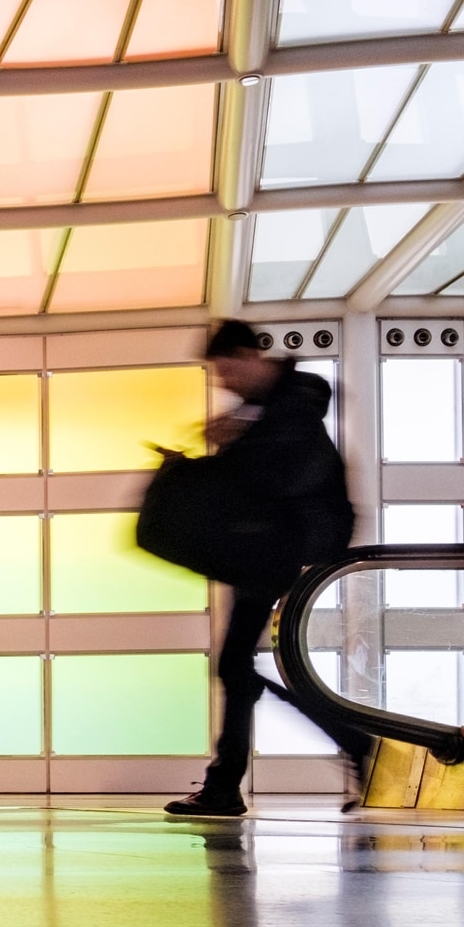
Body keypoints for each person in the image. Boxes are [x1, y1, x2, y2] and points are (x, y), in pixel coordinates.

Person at [172, 318, 366, 818]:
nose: (225, 384)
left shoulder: (294, 394)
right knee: (235, 666)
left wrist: (237, 437)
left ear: (250, 355)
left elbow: (286, 455)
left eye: (227, 371)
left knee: (235, 666)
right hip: (266, 543)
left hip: (288, 540)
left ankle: (350, 742)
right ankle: (229, 783)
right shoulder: (259, 408)